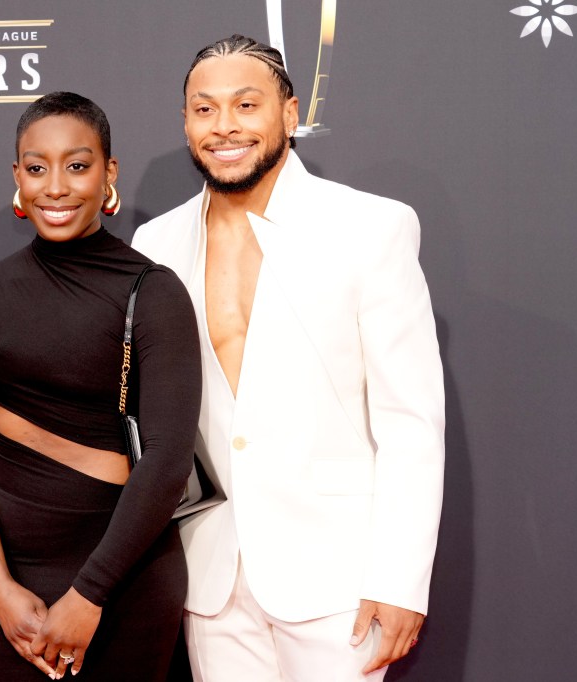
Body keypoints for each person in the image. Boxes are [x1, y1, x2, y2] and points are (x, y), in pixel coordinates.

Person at [131, 35, 445, 682]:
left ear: (290, 114)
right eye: (205, 109)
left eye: (246, 105)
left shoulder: (369, 227)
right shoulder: (155, 243)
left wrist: (400, 579)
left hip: (339, 578)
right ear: (186, 122)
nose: (225, 126)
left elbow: (411, 422)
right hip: (211, 574)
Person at [0, 91, 201, 681]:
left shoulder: (153, 292)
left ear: (109, 174)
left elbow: (166, 462)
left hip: (124, 581)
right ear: (17, 177)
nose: (55, 187)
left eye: (77, 166)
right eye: (38, 168)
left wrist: (89, 596)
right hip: (7, 584)